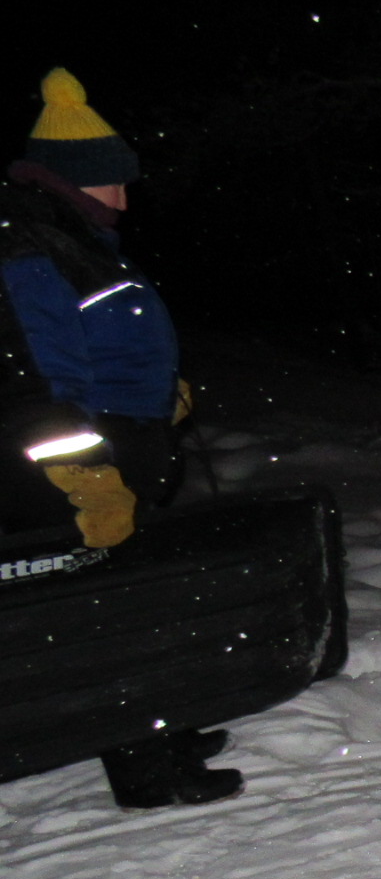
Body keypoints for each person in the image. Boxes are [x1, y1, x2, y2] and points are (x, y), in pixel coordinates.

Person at [0, 67, 240, 804]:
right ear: (72, 179)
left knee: (142, 600)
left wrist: (158, 396)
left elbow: (110, 342)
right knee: (112, 617)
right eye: (114, 183)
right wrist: (84, 476)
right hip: (82, 463)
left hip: (124, 442)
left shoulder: (75, 239)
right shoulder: (31, 250)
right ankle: (147, 773)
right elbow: (40, 379)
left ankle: (162, 731)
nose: (125, 199)